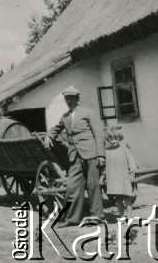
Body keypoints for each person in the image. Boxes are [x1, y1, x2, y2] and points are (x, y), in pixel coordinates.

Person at [45, 85, 106, 227]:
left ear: (77, 99)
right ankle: (72, 219)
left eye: (72, 98)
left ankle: (97, 216)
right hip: (74, 156)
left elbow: (98, 133)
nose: (69, 101)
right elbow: (57, 128)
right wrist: (49, 136)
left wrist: (101, 155)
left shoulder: (88, 113)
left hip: (91, 154)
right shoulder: (65, 117)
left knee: (93, 186)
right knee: (73, 187)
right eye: (67, 98)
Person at [103, 126, 137, 220]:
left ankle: (129, 217)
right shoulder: (107, 152)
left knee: (127, 197)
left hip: (124, 177)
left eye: (116, 138)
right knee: (118, 199)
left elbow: (131, 162)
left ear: (119, 138)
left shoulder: (124, 149)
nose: (113, 141)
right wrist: (103, 176)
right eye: (111, 139)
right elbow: (106, 166)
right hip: (113, 178)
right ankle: (121, 216)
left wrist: (132, 174)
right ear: (108, 139)